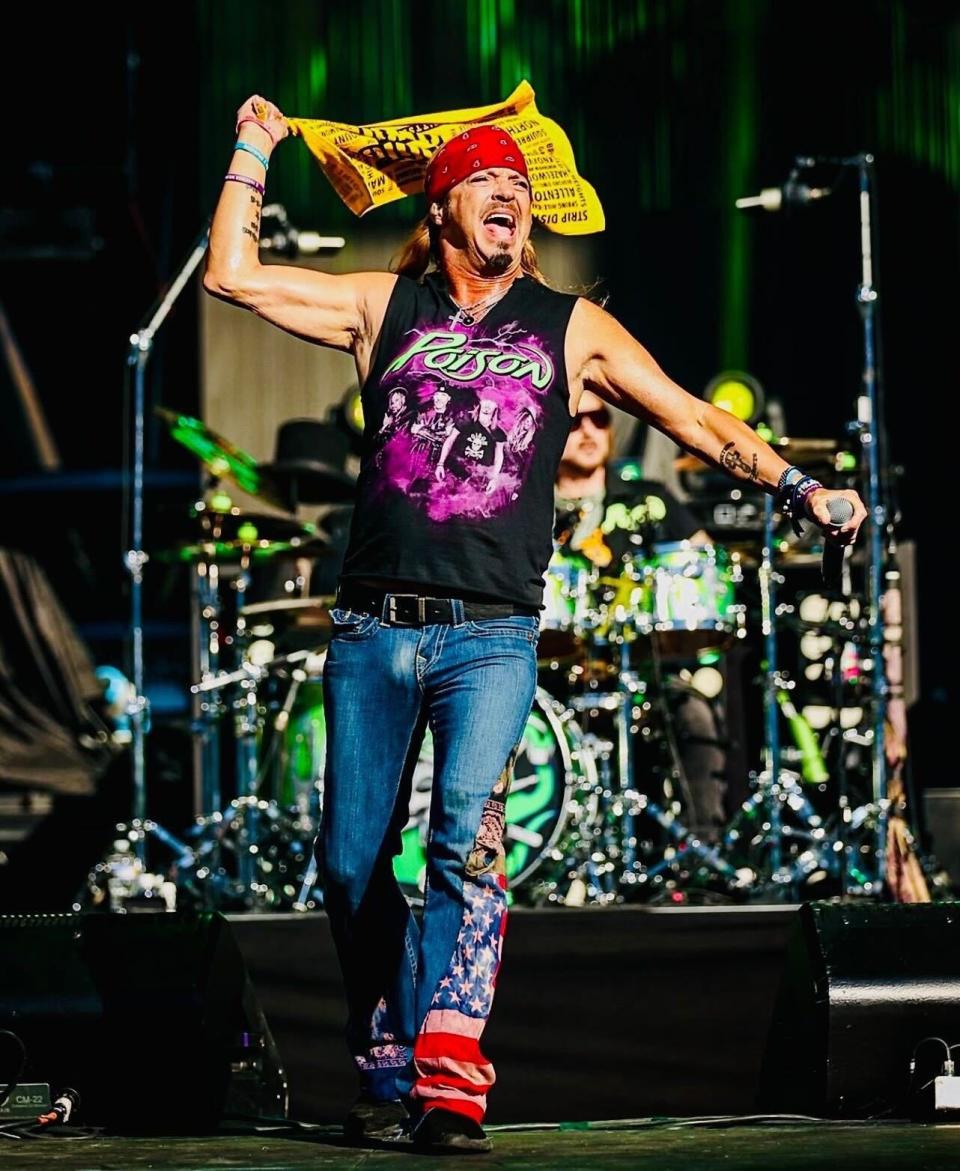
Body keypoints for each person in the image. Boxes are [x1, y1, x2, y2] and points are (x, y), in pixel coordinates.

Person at [204, 95, 866, 1154]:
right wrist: (256, 146)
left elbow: (693, 416)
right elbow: (230, 276)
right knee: (349, 863)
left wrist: (798, 486)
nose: (510, 193)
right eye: (486, 180)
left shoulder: (572, 327)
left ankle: (452, 1079)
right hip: (373, 626)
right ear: (445, 204)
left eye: (520, 184)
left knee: (468, 833)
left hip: (491, 634)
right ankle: (385, 1062)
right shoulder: (385, 306)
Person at [552, 390, 727, 840]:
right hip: (550, 672)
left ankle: (700, 847)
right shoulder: (528, 506)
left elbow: (702, 560)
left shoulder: (648, 499)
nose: (589, 431)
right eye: (576, 422)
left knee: (693, 715)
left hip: (641, 668)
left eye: (600, 421)